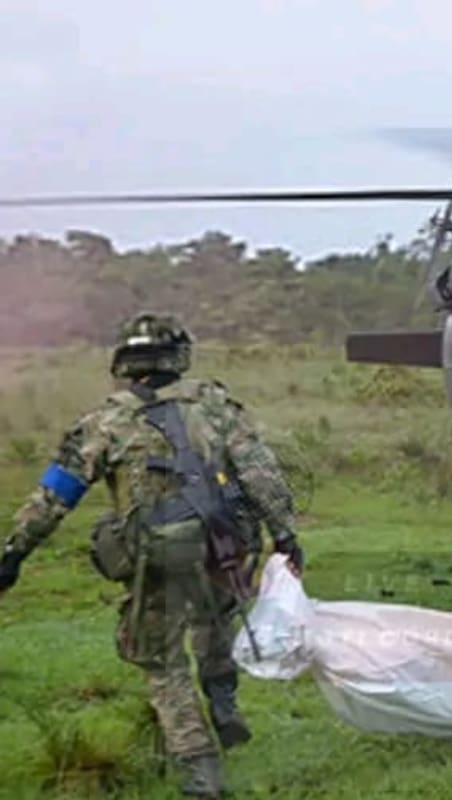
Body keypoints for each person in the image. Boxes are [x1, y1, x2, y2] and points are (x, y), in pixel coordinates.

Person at [0, 312, 305, 797]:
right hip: (222, 546)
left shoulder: (104, 422)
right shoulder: (215, 405)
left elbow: (55, 496)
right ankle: (223, 700)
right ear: (178, 358)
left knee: (163, 665)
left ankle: (201, 775)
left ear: (123, 361)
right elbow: (259, 472)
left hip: (156, 556)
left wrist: (13, 554)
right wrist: (285, 535)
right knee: (215, 621)